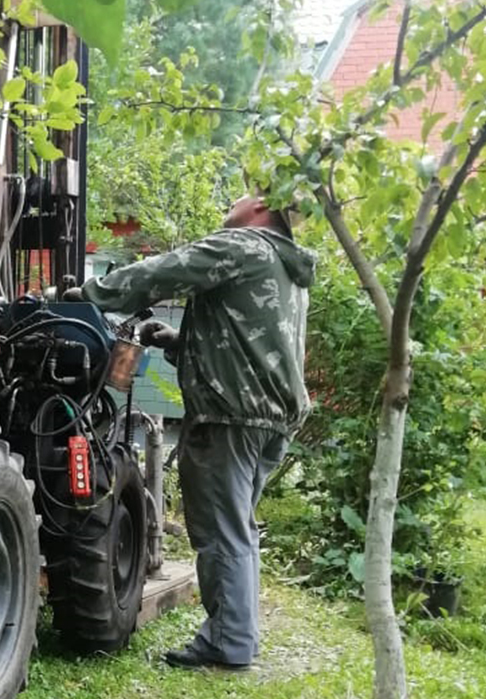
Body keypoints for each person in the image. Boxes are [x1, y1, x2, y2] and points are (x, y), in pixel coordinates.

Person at [67, 195, 317, 670]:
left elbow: (163, 271)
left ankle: (229, 644)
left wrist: (90, 292)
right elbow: (252, 341)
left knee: (222, 533)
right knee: (237, 528)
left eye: (240, 196)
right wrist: (181, 342)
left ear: (262, 205)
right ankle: (235, 634)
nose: (232, 202)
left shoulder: (244, 245)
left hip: (230, 416)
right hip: (271, 418)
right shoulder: (285, 265)